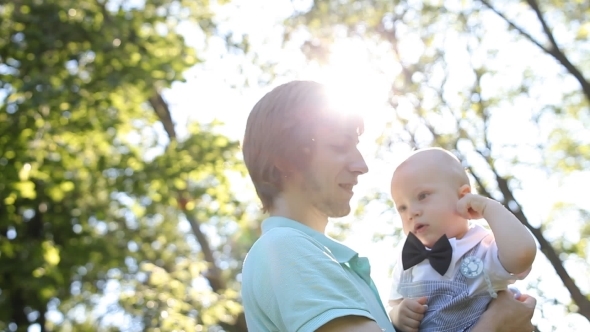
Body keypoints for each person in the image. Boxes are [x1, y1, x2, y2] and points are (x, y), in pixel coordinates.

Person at [240, 80, 536, 331]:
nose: (361, 165)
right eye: (340, 147)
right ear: (285, 160)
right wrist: (495, 325)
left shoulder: (313, 257)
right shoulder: (285, 250)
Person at [387, 147, 537, 332]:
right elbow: (393, 305)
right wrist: (398, 315)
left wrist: (488, 207)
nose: (412, 212)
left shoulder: (481, 248)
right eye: (402, 208)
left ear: (463, 197)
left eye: (422, 196)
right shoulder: (407, 262)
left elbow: (522, 255)